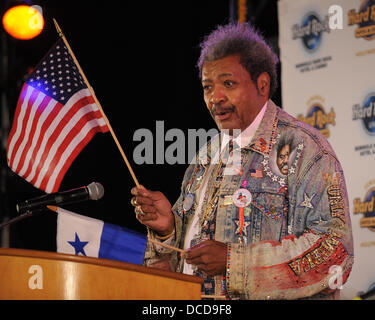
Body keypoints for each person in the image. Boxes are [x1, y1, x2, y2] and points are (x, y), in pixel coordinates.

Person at [130, 23, 354, 300]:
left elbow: (335, 251)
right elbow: (179, 262)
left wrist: (235, 263)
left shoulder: (304, 148)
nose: (215, 98)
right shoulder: (207, 156)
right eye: (207, 87)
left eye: (228, 84)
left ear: (262, 84)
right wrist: (168, 230)